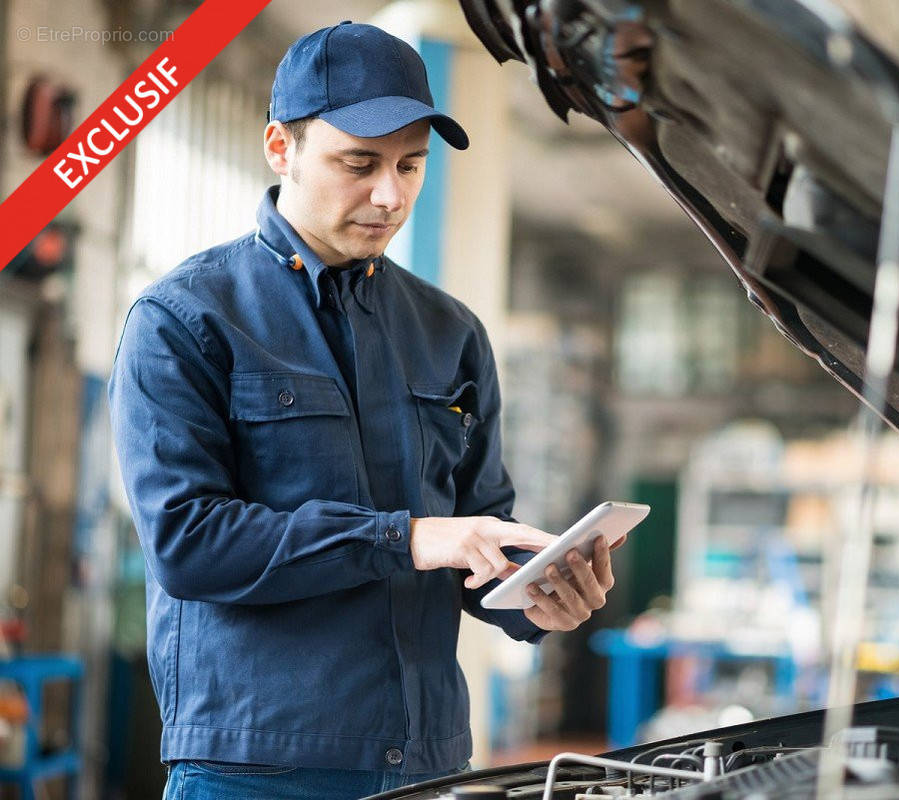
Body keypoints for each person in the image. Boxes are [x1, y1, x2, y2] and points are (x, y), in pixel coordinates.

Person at [108, 21, 619, 800]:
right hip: (258, 767)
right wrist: (405, 537)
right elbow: (188, 543)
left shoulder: (451, 333)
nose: (390, 195)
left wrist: (534, 596)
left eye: (411, 165)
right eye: (359, 164)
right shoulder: (185, 319)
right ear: (281, 148)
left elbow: (475, 529)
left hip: (427, 762)